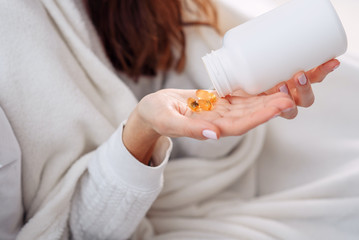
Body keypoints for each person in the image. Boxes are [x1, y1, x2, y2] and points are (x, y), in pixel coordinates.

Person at [0, 0, 343, 239]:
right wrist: (142, 133)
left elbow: (196, 109)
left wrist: (239, 95)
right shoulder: (14, 33)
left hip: (225, 174)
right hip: (125, 212)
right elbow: (80, 229)